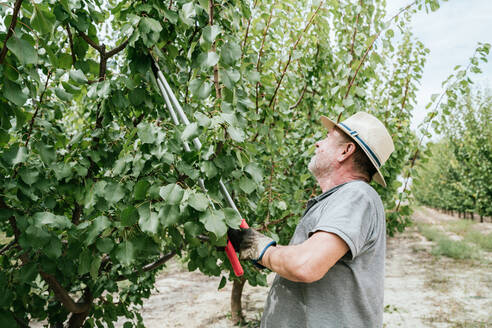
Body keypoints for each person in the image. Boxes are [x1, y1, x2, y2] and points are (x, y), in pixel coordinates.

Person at [228, 111, 395, 328]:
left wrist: (258, 248)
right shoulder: (337, 200)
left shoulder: (357, 196)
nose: (318, 143)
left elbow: (305, 265)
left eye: (327, 137)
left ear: (345, 151)